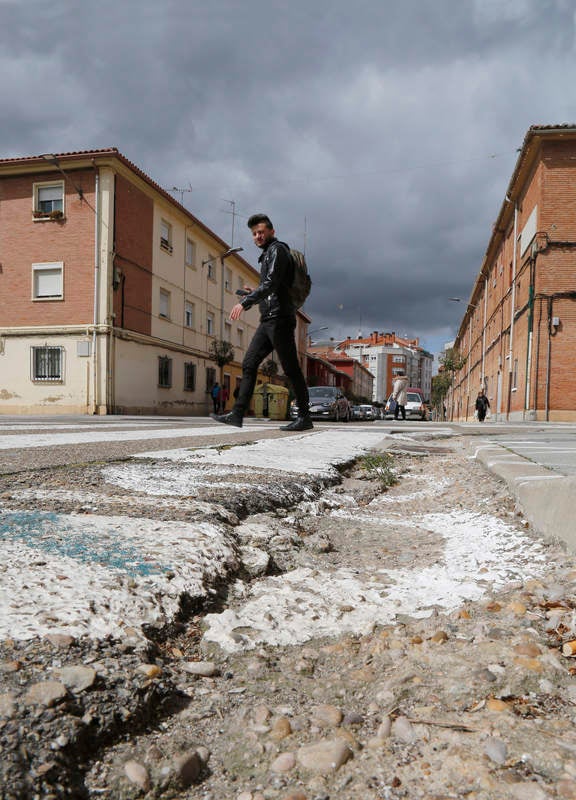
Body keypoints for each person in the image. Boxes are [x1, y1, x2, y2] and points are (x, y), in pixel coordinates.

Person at [211, 214, 312, 431]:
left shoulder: (277, 250)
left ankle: (305, 417)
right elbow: (271, 286)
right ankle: (237, 415)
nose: (257, 236)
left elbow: (272, 283)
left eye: (261, 232)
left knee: (291, 369)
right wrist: (253, 292)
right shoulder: (268, 254)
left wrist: (245, 302)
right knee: (249, 363)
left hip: (280, 320)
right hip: (268, 320)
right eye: (255, 234)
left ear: (271, 232)